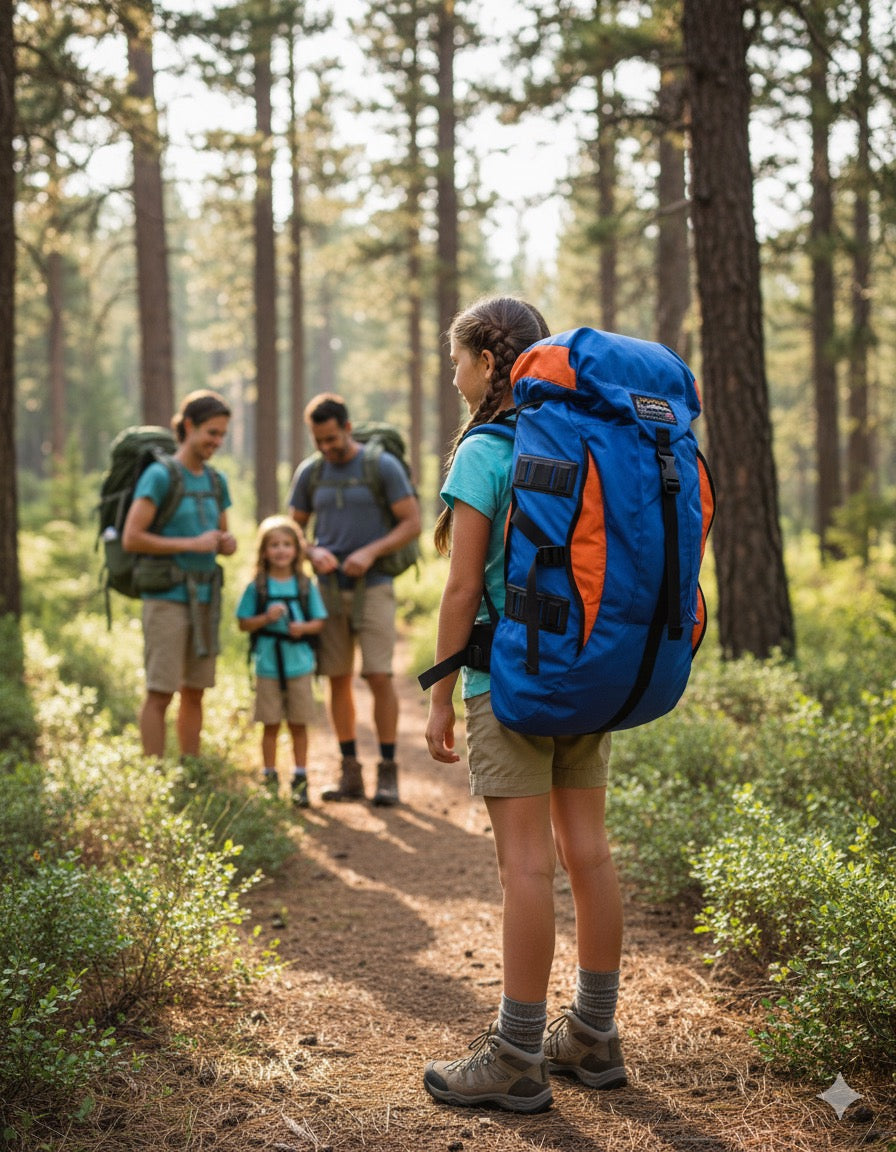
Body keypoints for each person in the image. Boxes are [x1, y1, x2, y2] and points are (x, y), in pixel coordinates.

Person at [422, 297, 626, 1113]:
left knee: (526, 866)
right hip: (588, 671)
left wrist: (438, 696)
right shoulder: (581, 440)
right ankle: (595, 1035)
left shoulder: (484, 452)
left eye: (459, 361)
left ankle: (514, 1053)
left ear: (484, 361)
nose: (456, 375)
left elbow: (463, 586)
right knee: (591, 853)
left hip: (507, 678)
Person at [288, 393, 421, 807]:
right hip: (327, 591)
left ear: (347, 427)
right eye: (318, 441)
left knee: (379, 676)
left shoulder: (382, 466)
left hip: (375, 585)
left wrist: (370, 552)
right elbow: (291, 532)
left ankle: (387, 773)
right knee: (336, 677)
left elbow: (412, 522)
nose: (327, 448)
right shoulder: (310, 473)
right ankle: (350, 774)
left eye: (332, 438)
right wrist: (312, 553)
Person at [122, 389, 237, 759]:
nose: (217, 441)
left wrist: (225, 543)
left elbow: (218, 535)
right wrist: (191, 544)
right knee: (160, 692)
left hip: (205, 598)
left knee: (195, 690)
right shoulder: (160, 475)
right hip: (166, 598)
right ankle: (153, 777)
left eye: (222, 434)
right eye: (211, 433)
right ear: (188, 426)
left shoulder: (217, 481)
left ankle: (191, 769)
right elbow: (132, 537)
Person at [236, 515, 327, 808]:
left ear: (297, 551)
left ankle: (300, 779)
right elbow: (243, 623)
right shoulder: (257, 587)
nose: (281, 550)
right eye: (274, 545)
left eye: (287, 544)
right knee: (271, 724)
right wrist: (265, 618)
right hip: (268, 667)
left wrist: (303, 628)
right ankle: (270, 778)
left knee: (299, 724)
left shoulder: (304, 585)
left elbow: (319, 622)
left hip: (299, 665)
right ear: (264, 551)